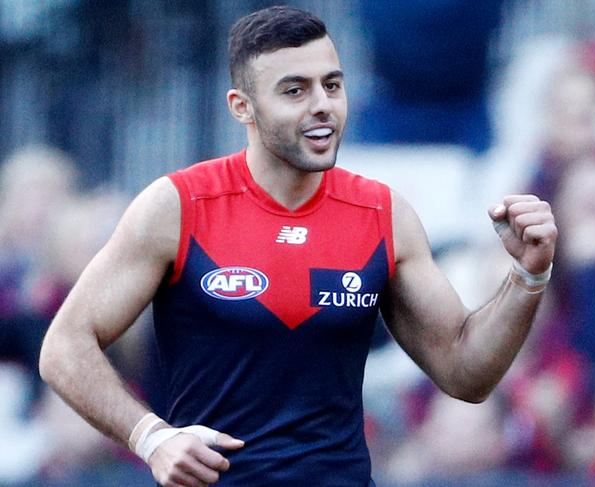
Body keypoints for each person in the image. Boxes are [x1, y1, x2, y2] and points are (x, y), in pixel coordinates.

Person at [39, 6, 557, 487]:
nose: (322, 106)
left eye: (332, 85)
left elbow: (466, 374)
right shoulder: (178, 206)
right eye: (295, 91)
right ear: (242, 107)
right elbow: (64, 346)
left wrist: (528, 276)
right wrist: (150, 437)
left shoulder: (381, 213)